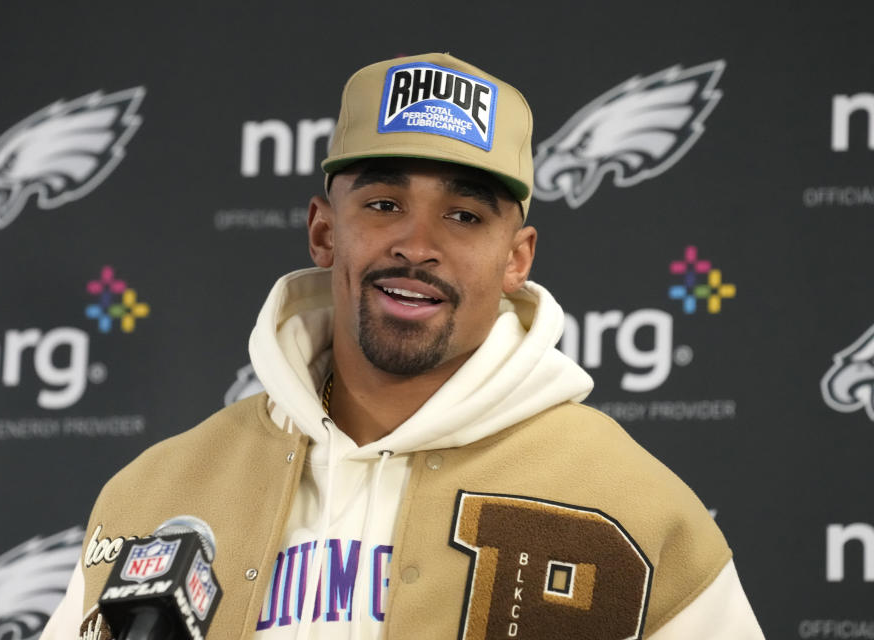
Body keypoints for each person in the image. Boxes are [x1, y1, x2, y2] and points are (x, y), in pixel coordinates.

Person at [43, 52, 764, 639]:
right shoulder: (158, 494)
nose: (418, 246)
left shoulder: (635, 509)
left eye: (464, 215)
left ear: (517, 258)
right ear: (325, 231)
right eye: (384, 205)